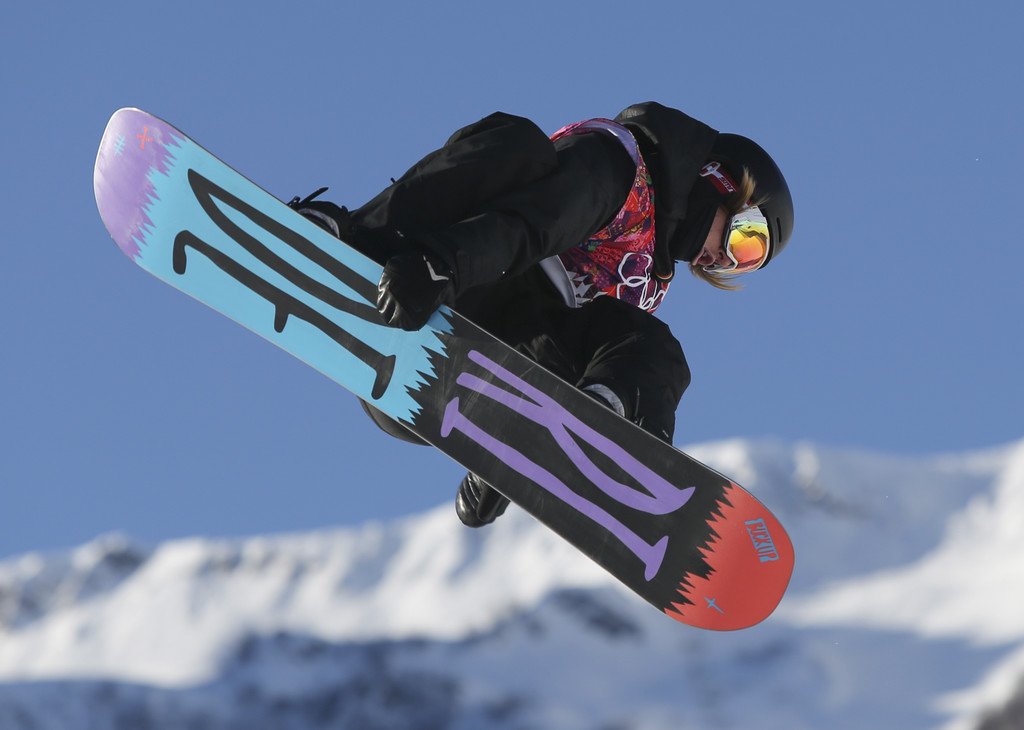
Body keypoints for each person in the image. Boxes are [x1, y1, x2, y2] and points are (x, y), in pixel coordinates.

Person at [288, 101, 794, 528]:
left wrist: (508, 459)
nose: (724, 261)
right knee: (516, 144)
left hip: (443, 365)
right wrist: (442, 263)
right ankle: (351, 242)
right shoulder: (618, 166)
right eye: (745, 241)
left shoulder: (648, 280)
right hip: (426, 280)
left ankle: (585, 430)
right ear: (719, 180)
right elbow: (532, 225)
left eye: (744, 263)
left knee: (654, 351)